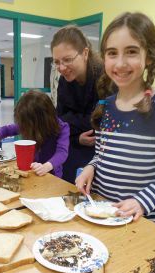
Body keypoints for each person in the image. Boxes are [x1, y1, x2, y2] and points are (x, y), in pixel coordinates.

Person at [75, 12, 155, 222]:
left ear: (148, 56)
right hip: (100, 210)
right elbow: (101, 155)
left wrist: (143, 200)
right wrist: (90, 166)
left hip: (139, 220)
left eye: (131, 52)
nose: (120, 63)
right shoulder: (105, 105)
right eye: (112, 53)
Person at [51, 25, 114, 183]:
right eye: (57, 62)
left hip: (100, 153)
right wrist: (77, 137)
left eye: (67, 60)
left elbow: (101, 123)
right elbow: (59, 120)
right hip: (74, 143)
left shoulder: (105, 78)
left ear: (85, 53)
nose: (62, 68)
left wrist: (72, 118)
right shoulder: (65, 81)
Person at [0, 90, 69, 178]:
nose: (24, 127)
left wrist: (46, 166)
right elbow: (6, 130)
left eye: (27, 124)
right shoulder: (27, 124)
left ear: (40, 121)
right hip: (31, 171)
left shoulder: (62, 128)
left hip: (52, 175)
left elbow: (62, 153)